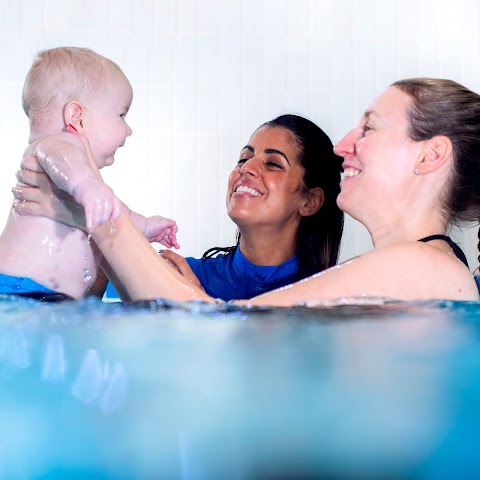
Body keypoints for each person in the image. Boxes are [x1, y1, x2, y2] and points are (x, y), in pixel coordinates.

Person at [14, 77, 480, 305]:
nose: (343, 146)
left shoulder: (422, 265)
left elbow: (229, 327)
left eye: (369, 128)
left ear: (429, 156)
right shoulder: (414, 268)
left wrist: (94, 213)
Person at [21, 114, 345, 301]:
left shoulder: (330, 293)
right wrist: (96, 271)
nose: (246, 168)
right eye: (244, 158)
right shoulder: (173, 273)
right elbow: (73, 329)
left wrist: (192, 303)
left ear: (310, 200)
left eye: (273, 164)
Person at [0, 46, 178, 300]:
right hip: (18, 290)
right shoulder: (58, 145)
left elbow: (113, 210)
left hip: (36, 295)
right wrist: (87, 186)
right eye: (122, 115)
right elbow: (61, 159)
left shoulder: (80, 177)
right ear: (77, 118)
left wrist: (145, 226)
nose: (128, 130)